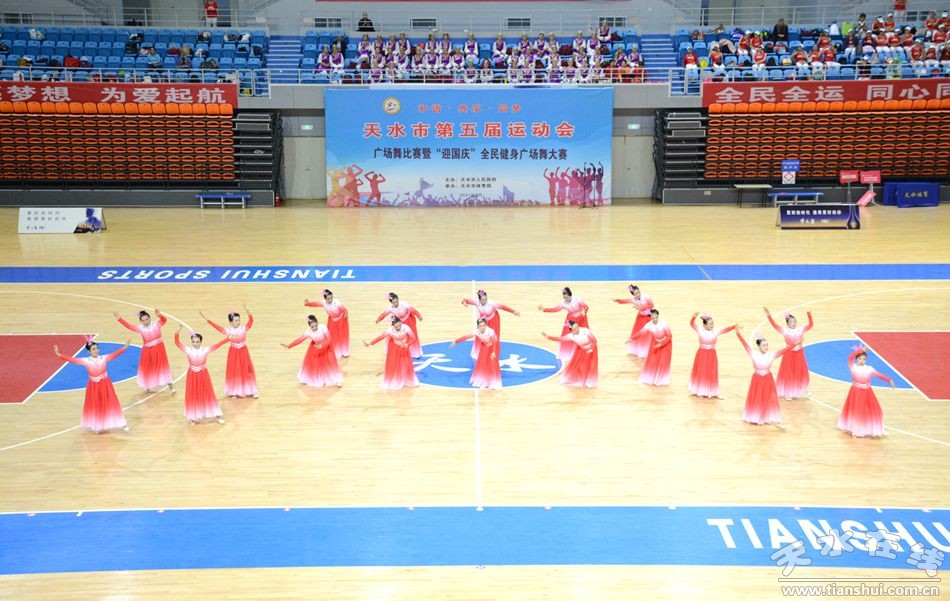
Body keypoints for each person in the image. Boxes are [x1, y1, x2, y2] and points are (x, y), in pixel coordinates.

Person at [54, 337, 131, 434]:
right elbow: (72, 360)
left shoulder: (104, 358)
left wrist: (125, 347)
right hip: (93, 386)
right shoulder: (86, 361)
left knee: (111, 402)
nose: (96, 350)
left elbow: (115, 354)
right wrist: (59, 354)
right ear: (89, 351)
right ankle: (97, 425)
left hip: (105, 384)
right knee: (96, 405)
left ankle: (121, 423)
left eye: (97, 348)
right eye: (94, 349)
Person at [735, 327, 791, 429]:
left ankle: (775, 420)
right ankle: (756, 417)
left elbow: (784, 350)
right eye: (764, 345)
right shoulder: (753, 354)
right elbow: (744, 344)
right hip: (757, 379)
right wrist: (738, 334)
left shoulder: (771, 355)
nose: (766, 347)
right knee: (757, 398)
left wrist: (795, 344)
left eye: (767, 345)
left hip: (768, 380)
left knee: (770, 398)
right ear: (759, 346)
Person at [201, 305, 258, 399]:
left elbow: (251, 321)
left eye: (239, 320)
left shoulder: (243, 328)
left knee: (247, 370)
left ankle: (251, 390)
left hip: (243, 351)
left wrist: (248, 311)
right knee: (235, 371)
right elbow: (217, 327)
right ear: (231, 322)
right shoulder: (228, 331)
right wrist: (206, 319)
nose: (238, 322)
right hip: (234, 352)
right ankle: (235, 391)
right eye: (235, 321)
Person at [174, 327, 228, 424]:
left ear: (201, 342)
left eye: (197, 342)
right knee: (193, 395)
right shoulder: (188, 350)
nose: (195, 344)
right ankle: (193, 417)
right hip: (192, 375)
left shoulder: (205, 350)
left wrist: (228, 339)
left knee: (208, 393)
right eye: (193, 342)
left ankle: (218, 415)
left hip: (203, 374)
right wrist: (177, 333)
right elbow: (177, 343)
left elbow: (217, 345)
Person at [838, 345, 895, 438]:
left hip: (868, 392)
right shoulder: (853, 367)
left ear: (866, 360)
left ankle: (876, 429)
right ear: (856, 359)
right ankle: (855, 431)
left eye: (864, 359)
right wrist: (861, 350)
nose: (862, 361)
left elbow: (878, 375)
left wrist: (889, 380)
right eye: (860, 359)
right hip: (856, 393)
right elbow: (850, 357)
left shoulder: (869, 368)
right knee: (857, 412)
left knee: (876, 410)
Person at [115, 309, 175, 393]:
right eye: (143, 320)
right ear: (140, 321)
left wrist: (159, 315)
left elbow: (164, 320)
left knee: (163, 367)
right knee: (148, 368)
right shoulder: (140, 328)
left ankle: (171, 387)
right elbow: (128, 326)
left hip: (159, 350)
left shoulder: (156, 324)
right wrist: (119, 319)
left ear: (150, 318)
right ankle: (147, 387)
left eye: (147, 319)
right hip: (147, 352)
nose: (146, 322)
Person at [764, 308, 814, 399]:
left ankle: (804, 389)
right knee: (789, 373)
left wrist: (809, 315)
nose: (793, 323)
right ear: (787, 324)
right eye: (791, 322)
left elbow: (810, 325)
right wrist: (769, 316)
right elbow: (774, 325)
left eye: (794, 321)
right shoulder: (785, 331)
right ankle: (788, 392)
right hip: (789, 354)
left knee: (801, 372)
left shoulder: (800, 330)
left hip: (799, 354)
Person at [282, 314, 343, 388]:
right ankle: (320, 379)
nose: (315, 328)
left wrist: (322, 345)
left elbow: (329, 339)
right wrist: (289, 346)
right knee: (317, 366)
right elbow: (299, 340)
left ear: (317, 323)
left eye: (316, 325)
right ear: (309, 326)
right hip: (316, 348)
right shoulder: (308, 332)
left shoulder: (323, 327)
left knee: (330, 364)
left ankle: (336, 380)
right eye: (312, 327)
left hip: (326, 347)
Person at [688, 313, 736, 398]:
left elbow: (725, 330)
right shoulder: (700, 330)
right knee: (701, 371)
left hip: (711, 355)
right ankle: (700, 391)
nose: (712, 325)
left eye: (712, 323)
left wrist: (734, 326)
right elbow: (692, 324)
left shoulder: (716, 331)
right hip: (701, 354)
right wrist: (694, 316)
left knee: (712, 372)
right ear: (704, 325)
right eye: (710, 324)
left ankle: (714, 392)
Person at [364, 316, 419, 390]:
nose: (398, 328)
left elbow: (413, 338)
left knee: (405, 363)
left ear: (401, 323)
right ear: (393, 325)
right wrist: (370, 343)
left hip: (404, 347)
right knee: (394, 364)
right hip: (394, 348)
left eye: (399, 325)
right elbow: (380, 337)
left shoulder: (406, 328)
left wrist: (407, 344)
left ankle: (406, 379)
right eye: (396, 327)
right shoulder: (389, 331)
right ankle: (397, 379)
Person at [461, 289, 520, 356]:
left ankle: (493, 352)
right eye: (483, 300)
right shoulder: (477, 303)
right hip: (484, 321)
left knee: (493, 336)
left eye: (486, 299)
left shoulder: (491, 303)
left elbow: (502, 307)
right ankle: (479, 351)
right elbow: (465, 300)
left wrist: (513, 311)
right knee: (481, 334)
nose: (485, 301)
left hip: (494, 320)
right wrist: (464, 303)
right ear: (479, 300)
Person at [538, 287, 589, 361]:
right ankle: (568, 354)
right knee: (567, 336)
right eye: (564, 296)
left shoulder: (577, 299)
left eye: (566, 296)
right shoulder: (563, 303)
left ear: (569, 294)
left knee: (582, 335)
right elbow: (555, 309)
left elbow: (586, 306)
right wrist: (545, 309)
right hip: (570, 319)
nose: (565, 298)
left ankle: (583, 354)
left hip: (581, 318)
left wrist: (584, 311)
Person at [542, 320, 598, 388]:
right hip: (583, 351)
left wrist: (591, 349)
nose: (577, 329)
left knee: (592, 365)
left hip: (592, 349)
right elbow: (560, 339)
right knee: (583, 366)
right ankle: (582, 379)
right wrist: (548, 337)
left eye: (577, 327)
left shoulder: (585, 331)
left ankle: (590, 382)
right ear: (572, 330)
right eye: (575, 328)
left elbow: (594, 340)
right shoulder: (571, 336)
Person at [451, 319, 502, 390]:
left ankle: (493, 383)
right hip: (484, 349)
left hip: (492, 349)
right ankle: (484, 382)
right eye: (480, 326)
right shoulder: (476, 332)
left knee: (492, 366)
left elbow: (494, 342)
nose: (482, 327)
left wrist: (494, 352)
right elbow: (466, 337)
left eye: (484, 325)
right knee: (483, 365)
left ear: (486, 325)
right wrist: (456, 341)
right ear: (478, 326)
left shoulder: (491, 331)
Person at [630, 309, 673, 386]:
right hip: (656, 344)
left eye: (656, 317)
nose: (655, 319)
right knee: (653, 361)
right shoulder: (648, 325)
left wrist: (660, 344)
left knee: (663, 362)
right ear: (650, 318)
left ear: (658, 316)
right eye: (653, 318)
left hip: (666, 345)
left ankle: (661, 379)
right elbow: (641, 333)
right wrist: (632, 338)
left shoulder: (664, 323)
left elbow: (669, 336)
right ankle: (653, 377)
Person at [304, 289, 350, 359]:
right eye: (328, 299)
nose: (330, 299)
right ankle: (337, 352)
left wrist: (346, 314)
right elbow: (316, 304)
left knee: (342, 336)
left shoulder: (337, 302)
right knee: (334, 337)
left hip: (341, 321)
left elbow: (344, 309)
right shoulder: (323, 303)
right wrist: (308, 303)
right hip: (332, 322)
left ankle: (345, 351)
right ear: (325, 298)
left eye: (331, 297)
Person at [376, 292, 423, 358]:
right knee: (394, 336)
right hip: (399, 322)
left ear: (398, 300)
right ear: (391, 303)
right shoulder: (390, 308)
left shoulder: (404, 304)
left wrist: (419, 316)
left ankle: (415, 353)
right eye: (394, 302)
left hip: (409, 320)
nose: (396, 303)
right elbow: (383, 314)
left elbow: (413, 310)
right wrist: (378, 319)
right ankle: (395, 351)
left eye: (396, 301)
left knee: (412, 335)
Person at [613, 284, 654, 357]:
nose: (638, 294)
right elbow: (624, 301)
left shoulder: (646, 297)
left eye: (638, 292)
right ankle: (637, 350)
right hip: (640, 318)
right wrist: (618, 300)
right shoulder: (632, 299)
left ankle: (647, 350)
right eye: (635, 294)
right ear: (633, 295)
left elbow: (651, 305)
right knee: (638, 333)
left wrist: (642, 308)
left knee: (647, 334)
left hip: (648, 317)